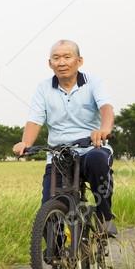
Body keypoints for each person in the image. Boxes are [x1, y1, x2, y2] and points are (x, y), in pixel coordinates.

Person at [13, 39, 117, 249]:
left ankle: (104, 216)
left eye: (67, 57)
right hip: (59, 154)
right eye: (56, 58)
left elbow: (106, 108)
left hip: (90, 147)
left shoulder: (93, 82)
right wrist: (25, 142)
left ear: (79, 61)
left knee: (98, 160)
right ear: (49, 63)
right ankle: (59, 259)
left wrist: (104, 129)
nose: (61, 62)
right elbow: (35, 120)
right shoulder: (43, 88)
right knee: (47, 212)